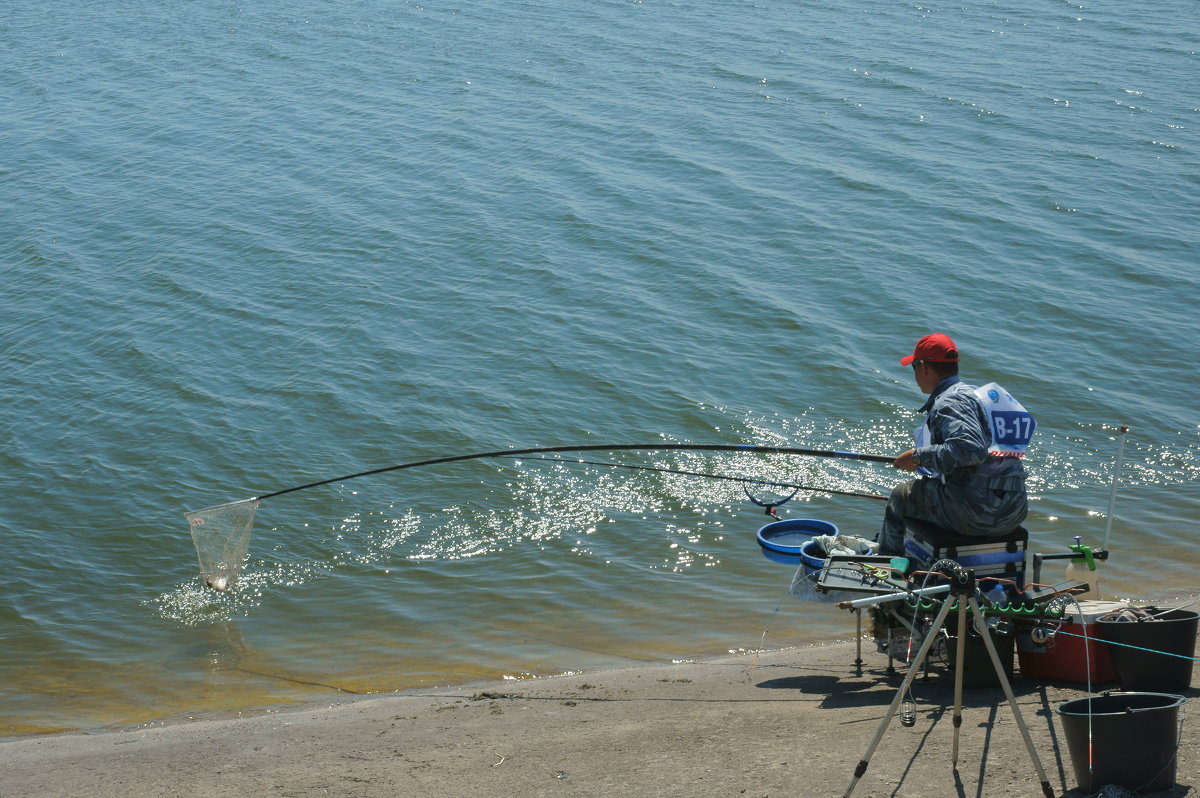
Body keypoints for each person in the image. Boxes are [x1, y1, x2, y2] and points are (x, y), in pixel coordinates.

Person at [877, 333, 1033, 557]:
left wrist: (917, 457)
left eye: (914, 367)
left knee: (902, 495)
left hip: (980, 513)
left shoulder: (950, 401)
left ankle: (887, 566)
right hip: (1014, 509)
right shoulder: (979, 396)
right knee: (932, 488)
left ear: (924, 367)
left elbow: (970, 449)